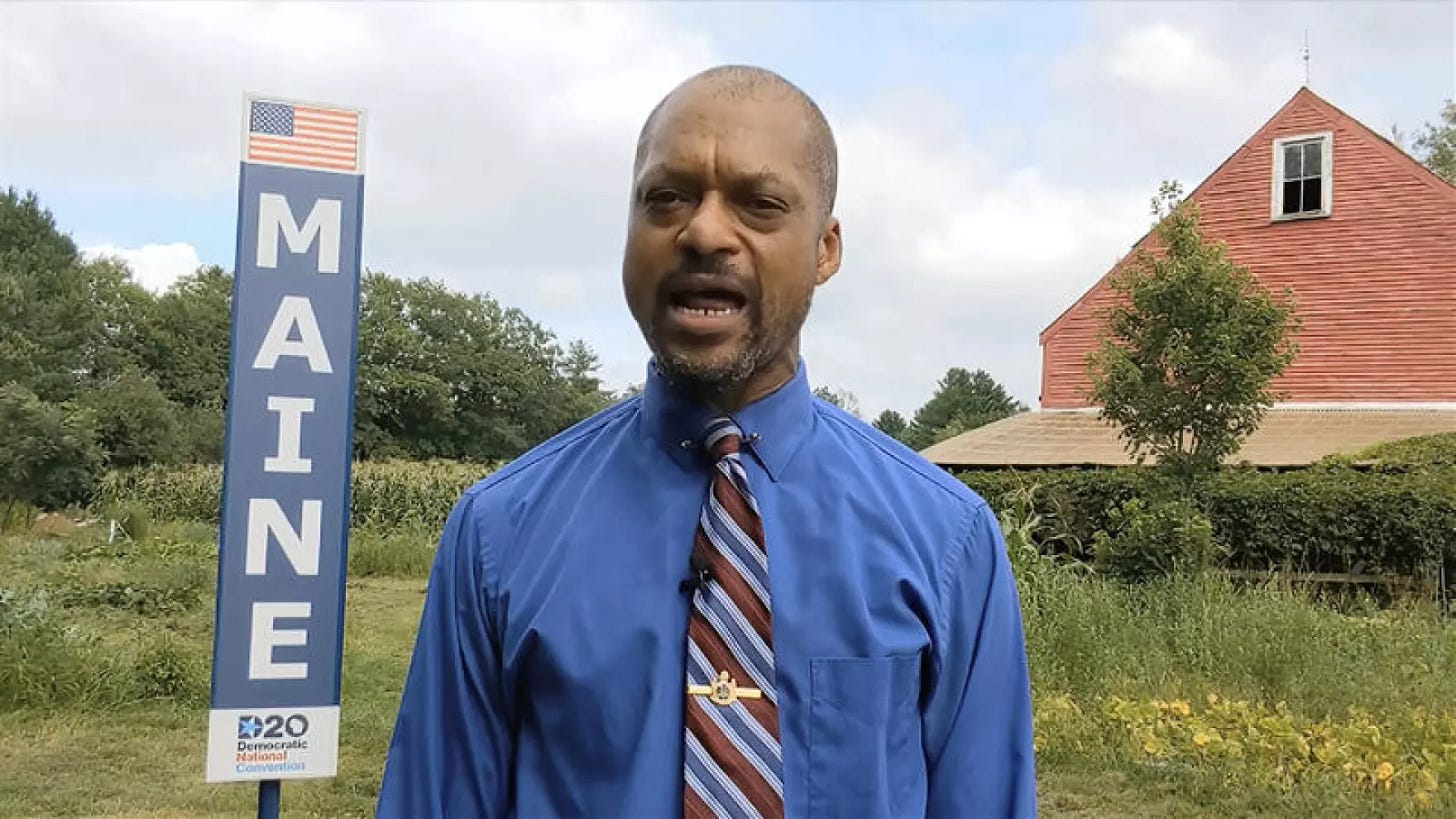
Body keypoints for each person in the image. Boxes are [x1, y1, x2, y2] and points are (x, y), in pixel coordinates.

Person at [375, 64, 1037, 818]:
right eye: (666, 198)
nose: (704, 233)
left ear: (825, 249)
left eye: (759, 204)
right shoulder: (499, 533)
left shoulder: (946, 539)